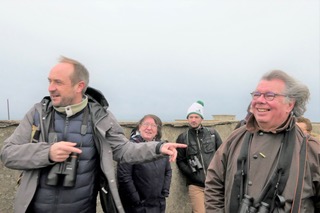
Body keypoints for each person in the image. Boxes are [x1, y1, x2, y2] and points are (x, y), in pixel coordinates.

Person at [0, 56, 186, 213]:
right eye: (49, 81)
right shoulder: (38, 113)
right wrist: (47, 153)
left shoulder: (100, 117)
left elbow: (124, 150)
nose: (50, 88)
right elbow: (8, 153)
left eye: (58, 82)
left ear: (79, 86)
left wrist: (158, 147)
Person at [205, 70, 320, 212]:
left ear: (290, 104)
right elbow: (213, 184)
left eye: (269, 95)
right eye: (257, 94)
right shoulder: (234, 139)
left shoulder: (310, 149)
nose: (260, 100)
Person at [117, 114, 172, 213]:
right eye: (146, 124)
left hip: (158, 203)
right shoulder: (131, 148)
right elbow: (124, 176)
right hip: (137, 206)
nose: (149, 128)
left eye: (153, 125)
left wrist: (164, 192)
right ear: (139, 127)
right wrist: (136, 199)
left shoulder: (161, 148)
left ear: (157, 130)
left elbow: (168, 171)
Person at [176, 100, 222, 213]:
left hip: (214, 183)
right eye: (191, 117)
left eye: (196, 117)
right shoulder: (182, 137)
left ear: (202, 119)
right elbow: (180, 160)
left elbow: (222, 155)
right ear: (187, 119)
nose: (193, 120)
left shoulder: (212, 134)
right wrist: (192, 173)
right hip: (196, 185)